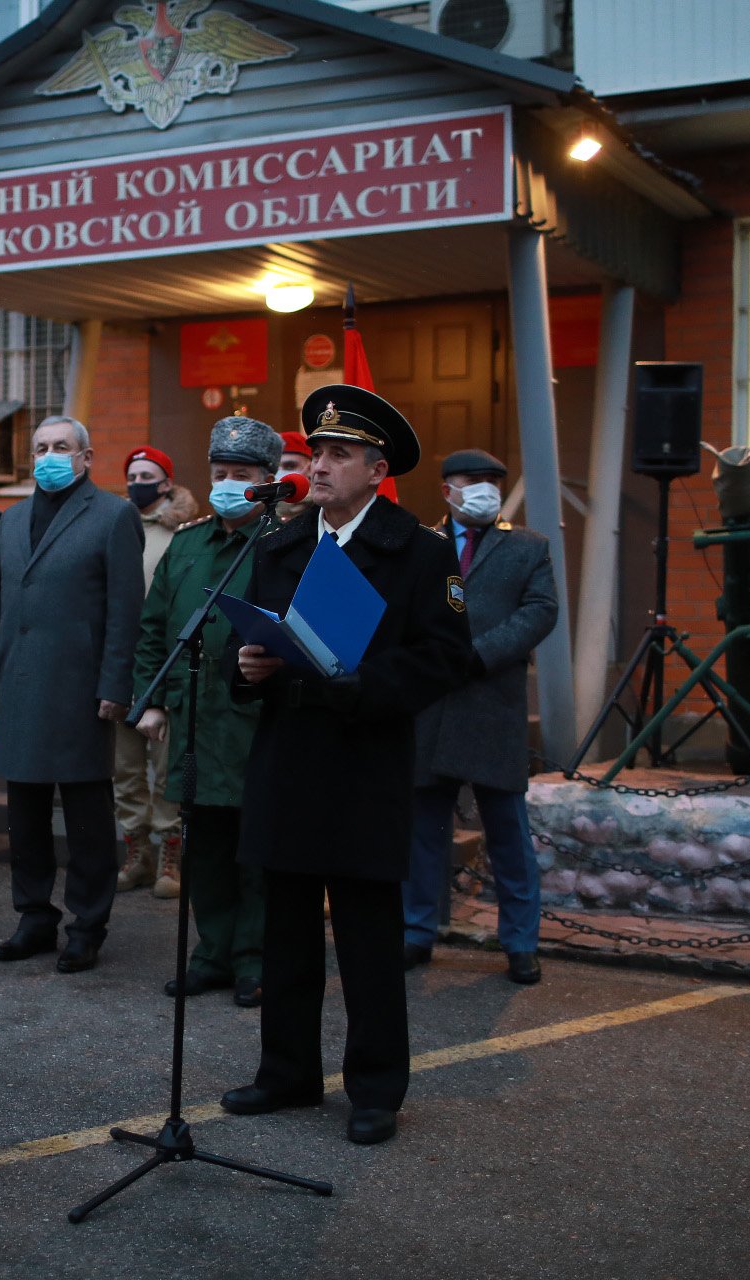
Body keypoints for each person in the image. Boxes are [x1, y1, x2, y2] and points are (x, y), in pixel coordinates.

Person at [219, 384, 472, 1147]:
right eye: (317, 452)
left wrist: (361, 685)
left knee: (366, 941)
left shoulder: (421, 551)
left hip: (365, 764)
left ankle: (374, 1090)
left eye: (338, 455)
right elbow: (246, 653)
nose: (319, 466)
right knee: (288, 932)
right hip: (289, 761)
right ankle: (286, 1072)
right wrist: (246, 667)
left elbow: (447, 658)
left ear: (376, 469)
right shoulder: (280, 543)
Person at [0, 415, 145, 974]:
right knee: (22, 816)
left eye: (62, 447)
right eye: (42, 447)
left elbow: (126, 612)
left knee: (86, 819)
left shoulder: (114, 515)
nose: (50, 455)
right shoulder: (12, 518)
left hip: (80, 689)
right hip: (20, 684)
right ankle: (34, 917)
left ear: (86, 456)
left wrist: (116, 685)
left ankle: (87, 925)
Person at [134, 417, 283, 1009]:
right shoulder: (188, 545)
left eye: (240, 475)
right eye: (219, 473)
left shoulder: (286, 544)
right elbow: (153, 630)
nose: (226, 484)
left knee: (254, 849)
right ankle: (211, 954)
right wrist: (150, 698)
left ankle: (254, 959)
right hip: (194, 721)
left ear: (268, 482)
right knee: (206, 847)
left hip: (257, 725)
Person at [403, 449, 558, 985]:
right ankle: (415, 932)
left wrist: (480, 653)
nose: (486, 490)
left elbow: (540, 612)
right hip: (431, 707)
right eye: (474, 481)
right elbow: (400, 610)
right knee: (423, 830)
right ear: (447, 490)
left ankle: (521, 943)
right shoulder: (420, 544)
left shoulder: (528, 547)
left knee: (508, 833)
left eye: (494, 480)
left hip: (493, 706)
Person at [114, 445, 196, 897]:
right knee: (125, 769)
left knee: (165, 769)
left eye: (147, 475)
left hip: (164, 666)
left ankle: (171, 854)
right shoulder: (116, 525)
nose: (137, 482)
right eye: (132, 474)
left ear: (166, 482)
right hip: (120, 665)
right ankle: (137, 852)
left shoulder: (183, 532)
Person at [276, 430, 313, 523]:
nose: (279, 473)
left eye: (289, 466)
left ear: (310, 469)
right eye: (274, 468)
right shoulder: (258, 516)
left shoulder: (326, 514)